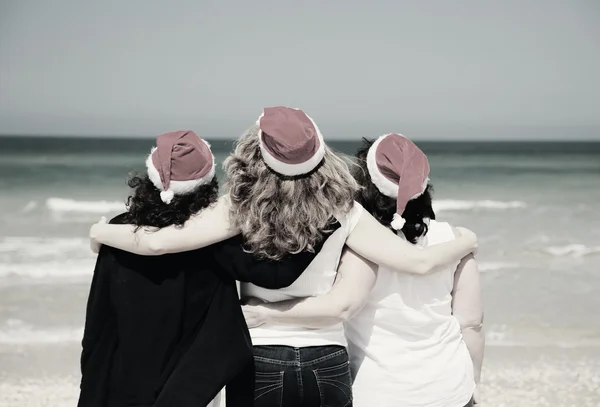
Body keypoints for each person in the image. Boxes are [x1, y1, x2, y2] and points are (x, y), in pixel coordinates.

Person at [89, 107, 478, 406]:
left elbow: (160, 243)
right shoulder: (344, 208)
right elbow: (418, 262)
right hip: (326, 359)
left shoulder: (237, 208)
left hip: (260, 358)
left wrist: (100, 232)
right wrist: (466, 241)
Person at [79, 130, 326, 407]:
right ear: (208, 180)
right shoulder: (216, 238)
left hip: (124, 380)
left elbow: (99, 321)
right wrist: (319, 223)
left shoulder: (118, 231)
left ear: (150, 177)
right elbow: (272, 275)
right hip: (190, 384)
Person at [243, 134, 485, 407]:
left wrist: (264, 312)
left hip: (380, 391)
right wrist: (473, 381)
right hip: (450, 387)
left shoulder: (359, 242)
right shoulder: (455, 239)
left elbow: (340, 306)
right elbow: (471, 323)